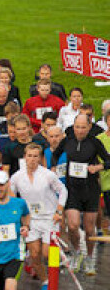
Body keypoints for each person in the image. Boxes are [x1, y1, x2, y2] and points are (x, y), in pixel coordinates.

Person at [51, 113, 110, 273]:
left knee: (90, 229)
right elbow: (55, 154)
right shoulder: (68, 140)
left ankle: (90, 257)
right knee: (73, 225)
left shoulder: (95, 142)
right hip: (73, 189)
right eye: (77, 127)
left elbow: (108, 160)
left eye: (83, 127)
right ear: (73, 126)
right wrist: (54, 167)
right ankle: (77, 252)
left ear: (89, 127)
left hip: (90, 190)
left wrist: (98, 167)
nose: (80, 130)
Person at [9, 143, 66, 290]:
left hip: (49, 218)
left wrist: (59, 211)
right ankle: (46, 282)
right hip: (31, 220)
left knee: (47, 253)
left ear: (40, 158)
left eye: (35, 156)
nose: (32, 159)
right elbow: (11, 196)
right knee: (34, 255)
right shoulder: (17, 177)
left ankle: (59, 263)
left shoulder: (48, 175)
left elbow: (63, 190)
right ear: (24, 157)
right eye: (29, 156)